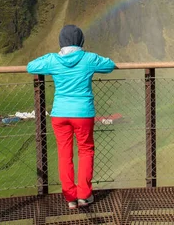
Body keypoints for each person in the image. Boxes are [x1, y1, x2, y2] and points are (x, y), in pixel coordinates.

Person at [27, 25, 115, 209]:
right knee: (86, 151)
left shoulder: (53, 60)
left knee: (64, 154)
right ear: (81, 41)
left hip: (60, 114)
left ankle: (70, 197)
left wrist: (50, 57)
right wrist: (93, 58)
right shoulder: (89, 59)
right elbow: (110, 65)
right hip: (83, 113)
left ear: (61, 41)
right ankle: (84, 195)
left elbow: (31, 66)